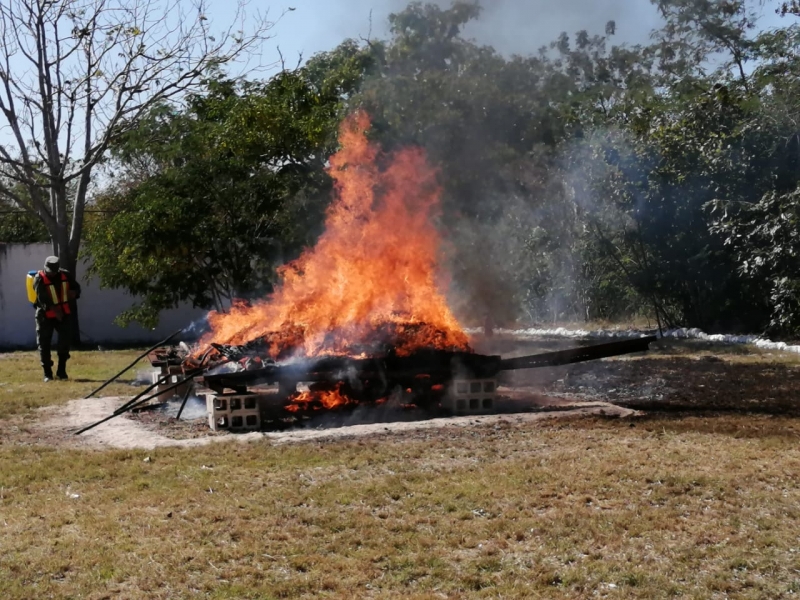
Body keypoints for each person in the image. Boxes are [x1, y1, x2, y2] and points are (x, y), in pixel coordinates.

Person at [33, 256, 81, 382]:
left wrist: (74, 292)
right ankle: (47, 374)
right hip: (45, 315)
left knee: (65, 342)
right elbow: (42, 298)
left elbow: (76, 287)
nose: (52, 273)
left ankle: (61, 371)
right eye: (50, 271)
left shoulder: (65, 275)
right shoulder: (39, 278)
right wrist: (55, 310)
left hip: (63, 314)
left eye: (54, 271)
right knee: (44, 343)